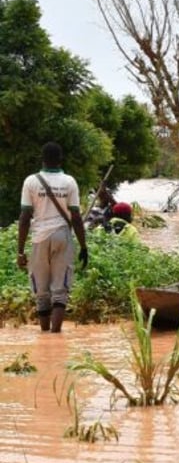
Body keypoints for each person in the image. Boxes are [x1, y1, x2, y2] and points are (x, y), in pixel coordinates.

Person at [16, 142, 89, 333]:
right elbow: (76, 217)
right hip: (62, 236)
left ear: (42, 159)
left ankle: (44, 337)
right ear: (60, 159)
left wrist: (20, 251)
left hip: (39, 237)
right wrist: (83, 246)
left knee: (41, 291)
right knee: (60, 290)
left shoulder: (30, 182)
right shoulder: (69, 182)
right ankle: (55, 336)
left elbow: (24, 218)